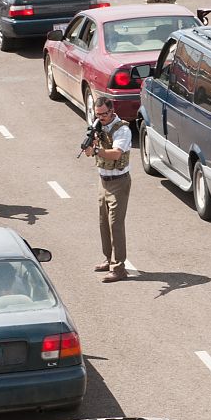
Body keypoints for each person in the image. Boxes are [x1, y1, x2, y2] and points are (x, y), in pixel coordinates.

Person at [83, 97, 132, 283]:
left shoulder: (123, 130)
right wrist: (91, 144)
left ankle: (119, 268)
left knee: (115, 225)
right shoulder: (98, 126)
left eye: (104, 114)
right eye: (98, 114)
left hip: (119, 182)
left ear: (112, 110)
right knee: (103, 222)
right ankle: (108, 259)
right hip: (103, 180)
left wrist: (96, 151)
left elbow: (116, 153)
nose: (101, 117)